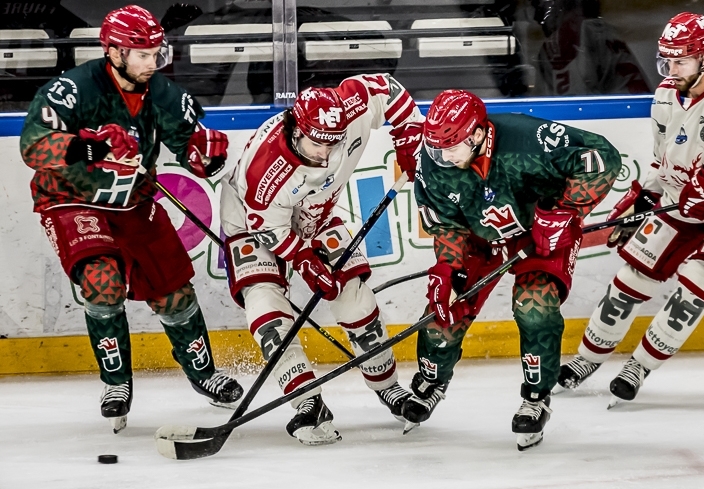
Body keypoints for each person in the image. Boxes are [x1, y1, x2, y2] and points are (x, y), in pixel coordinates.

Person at [19, 5, 244, 433]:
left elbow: (188, 145)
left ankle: (204, 375)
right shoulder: (73, 89)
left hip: (135, 204)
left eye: (156, 52)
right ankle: (116, 383)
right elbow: (32, 147)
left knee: (173, 293)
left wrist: (205, 156)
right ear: (114, 51)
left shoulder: (165, 94)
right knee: (102, 282)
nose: (151, 62)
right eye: (141, 54)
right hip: (72, 201)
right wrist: (89, 145)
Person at [557, 12, 704, 405]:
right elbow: (665, 160)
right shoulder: (666, 93)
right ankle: (587, 359)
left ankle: (638, 367)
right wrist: (646, 194)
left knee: (696, 285)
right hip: (682, 200)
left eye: (680, 60)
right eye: (665, 59)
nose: (669, 69)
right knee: (631, 279)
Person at [402, 89, 622, 450]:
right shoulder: (433, 163)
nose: (443, 156)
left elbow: (601, 158)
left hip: (542, 235)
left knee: (534, 306)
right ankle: (431, 382)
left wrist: (566, 210)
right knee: (444, 312)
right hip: (478, 241)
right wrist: (447, 266)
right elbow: (445, 224)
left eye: (452, 146)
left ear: (476, 134)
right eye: (437, 147)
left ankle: (536, 398)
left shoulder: (525, 139)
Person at [219, 74, 424, 445]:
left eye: (333, 144)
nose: (327, 155)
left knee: (355, 295)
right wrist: (304, 259)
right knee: (265, 307)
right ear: (296, 128)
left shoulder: (352, 105)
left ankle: (388, 386)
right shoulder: (264, 169)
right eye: (317, 145)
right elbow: (268, 228)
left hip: (318, 211)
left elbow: (393, 90)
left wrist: (409, 136)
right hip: (254, 222)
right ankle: (306, 400)